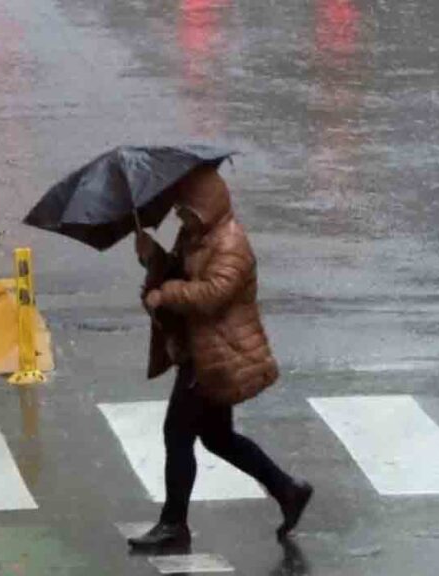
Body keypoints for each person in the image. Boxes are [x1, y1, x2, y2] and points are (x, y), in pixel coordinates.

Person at [127, 166, 313, 551]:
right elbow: (179, 275)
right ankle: (287, 490)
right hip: (201, 350)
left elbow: (213, 294)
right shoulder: (197, 236)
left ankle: (173, 524)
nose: (180, 216)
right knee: (216, 437)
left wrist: (167, 294)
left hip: (217, 354)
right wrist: (154, 259)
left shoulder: (231, 244)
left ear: (206, 205)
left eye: (187, 209)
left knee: (177, 433)